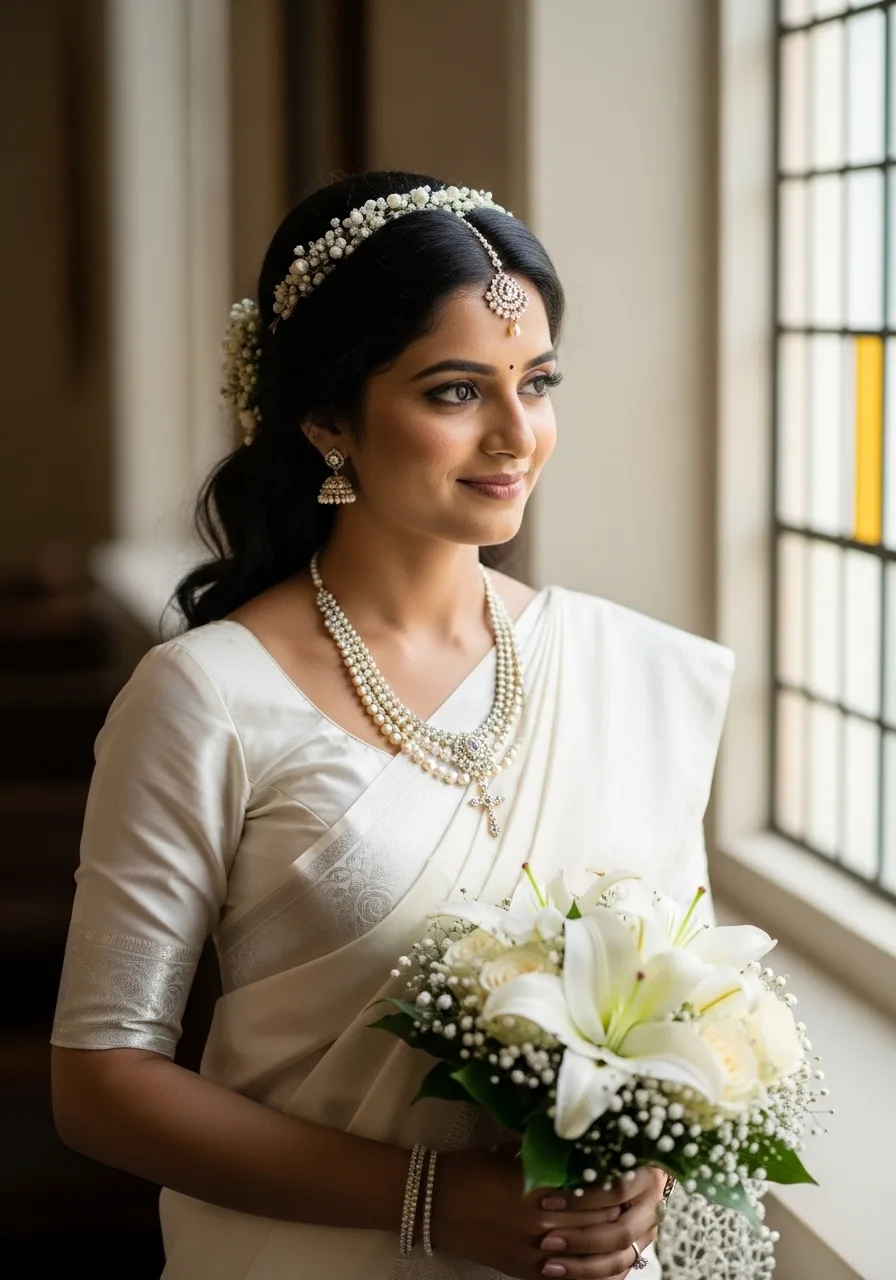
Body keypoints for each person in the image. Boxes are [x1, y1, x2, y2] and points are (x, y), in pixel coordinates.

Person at [49, 171, 741, 1279]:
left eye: (538, 382)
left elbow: (683, 1009)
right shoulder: (207, 697)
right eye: (456, 391)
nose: (517, 435)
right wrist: (429, 1200)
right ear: (328, 416)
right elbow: (100, 1082)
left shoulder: (632, 675)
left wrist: (642, 1168)